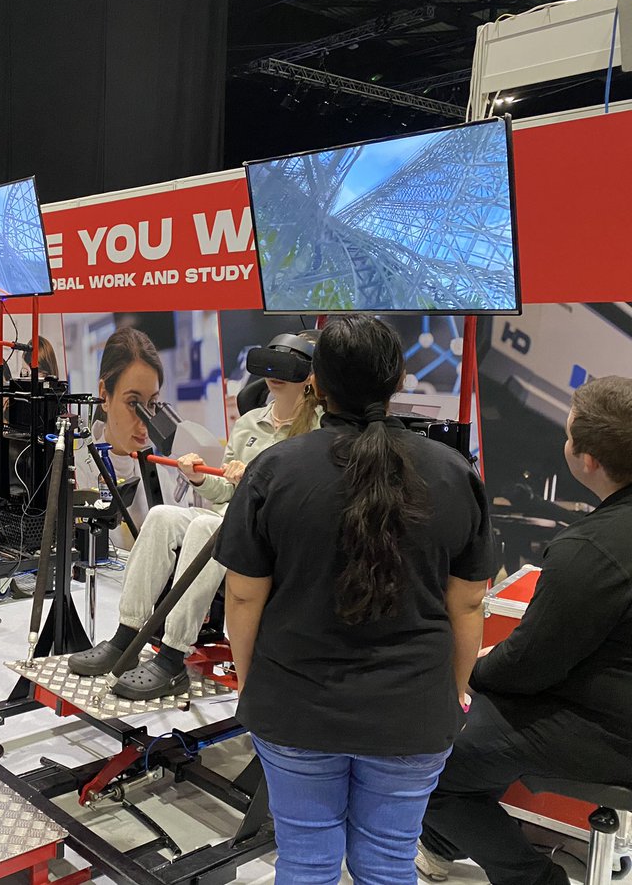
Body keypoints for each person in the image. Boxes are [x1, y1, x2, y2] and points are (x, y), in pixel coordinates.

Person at [216, 315, 495, 885]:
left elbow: (243, 599)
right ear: (397, 382)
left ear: (316, 383)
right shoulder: (452, 474)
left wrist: (253, 686)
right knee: (390, 863)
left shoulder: (274, 470)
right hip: (412, 714)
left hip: (294, 707)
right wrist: (455, 695)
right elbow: (467, 606)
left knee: (307, 861)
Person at [418, 376, 632, 885]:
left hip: (609, 730)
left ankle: (532, 879)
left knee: (427, 765)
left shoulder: (591, 550)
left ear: (587, 461)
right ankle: (445, 842)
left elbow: (528, 666)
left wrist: (469, 672)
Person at [69, 331, 321, 700]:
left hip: (273, 532)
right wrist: (201, 477)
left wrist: (255, 482)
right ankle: (127, 635)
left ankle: (173, 657)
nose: (274, 374)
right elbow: (224, 494)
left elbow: (306, 497)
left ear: (310, 377)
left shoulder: (317, 428)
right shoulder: (250, 423)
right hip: (230, 520)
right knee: (162, 517)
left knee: (207, 526)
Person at [74, 327, 165, 548]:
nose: (145, 421)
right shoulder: (75, 470)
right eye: (133, 403)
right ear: (104, 395)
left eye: (151, 404)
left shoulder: (160, 475)